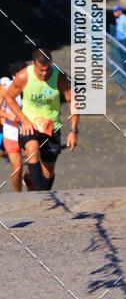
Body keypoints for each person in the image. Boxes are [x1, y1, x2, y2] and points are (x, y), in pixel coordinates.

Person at [4, 47, 79, 191]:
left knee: (48, 172)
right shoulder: (24, 76)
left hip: (52, 127)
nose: (44, 73)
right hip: (30, 125)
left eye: (47, 69)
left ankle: (36, 186)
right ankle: (38, 197)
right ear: (33, 64)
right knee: (32, 150)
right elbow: (9, 97)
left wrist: (73, 131)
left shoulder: (59, 77)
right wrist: (24, 120)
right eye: (41, 70)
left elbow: (73, 101)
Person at [0, 61, 28, 191]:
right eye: (22, 74)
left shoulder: (34, 86)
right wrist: (8, 115)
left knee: (34, 163)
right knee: (17, 167)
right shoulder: (5, 88)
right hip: (11, 131)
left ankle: (34, 188)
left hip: (30, 130)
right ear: (14, 76)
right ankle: (18, 195)